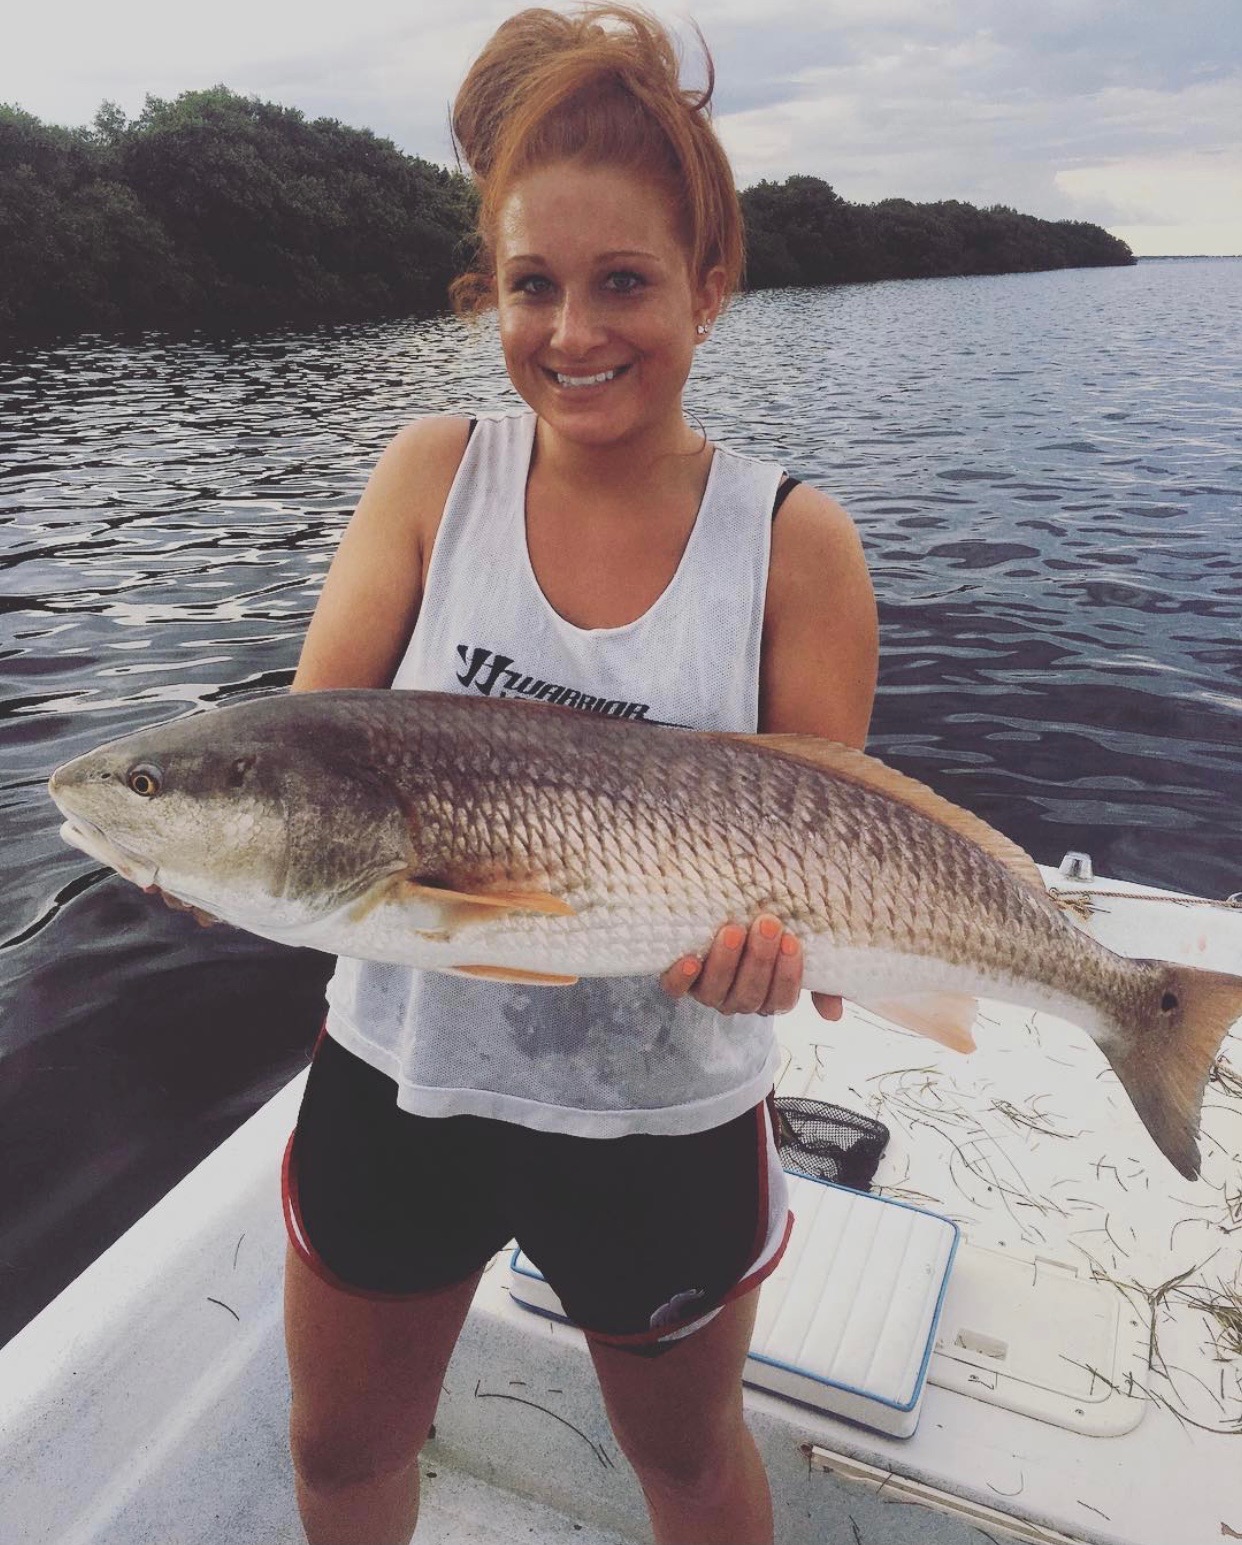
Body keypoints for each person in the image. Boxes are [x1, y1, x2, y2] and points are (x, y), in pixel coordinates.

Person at [281, 6, 877, 1543]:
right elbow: (307, 754)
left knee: (683, 1464)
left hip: (660, 1113)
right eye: (531, 284)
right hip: (401, 1075)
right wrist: (224, 862)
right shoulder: (428, 475)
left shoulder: (793, 544)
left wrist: (780, 964)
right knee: (343, 1449)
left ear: (712, 283)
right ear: (488, 288)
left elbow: (823, 849)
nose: (572, 332)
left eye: (624, 282)